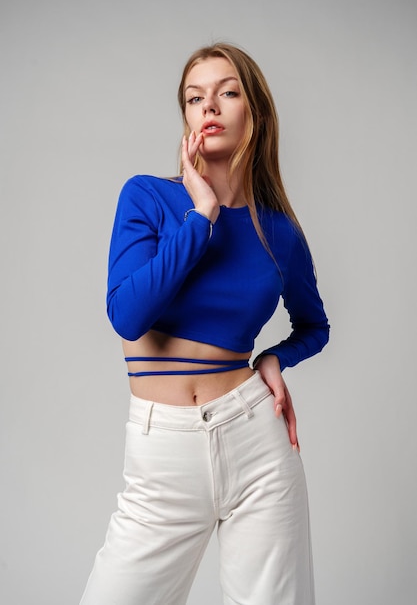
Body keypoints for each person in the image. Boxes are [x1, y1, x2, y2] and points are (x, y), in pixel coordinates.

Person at [80, 42, 329, 605]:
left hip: (257, 444)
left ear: (254, 113)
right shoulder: (148, 197)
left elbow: (316, 326)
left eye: (227, 92)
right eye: (196, 98)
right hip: (161, 453)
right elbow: (129, 314)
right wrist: (201, 214)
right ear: (187, 117)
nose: (209, 106)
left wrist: (273, 359)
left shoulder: (279, 232)